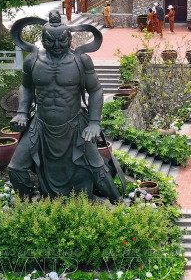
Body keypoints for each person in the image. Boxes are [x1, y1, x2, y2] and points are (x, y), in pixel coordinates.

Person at [7, 11, 120, 201]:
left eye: (62, 41)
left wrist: (94, 123)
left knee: (97, 168)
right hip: (41, 125)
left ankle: (119, 203)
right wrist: (21, 113)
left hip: (74, 123)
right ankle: (29, 204)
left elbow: (96, 90)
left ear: (69, 38)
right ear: (42, 40)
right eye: (51, 41)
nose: (57, 46)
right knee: (15, 168)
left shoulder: (80, 61)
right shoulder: (33, 61)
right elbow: (26, 87)